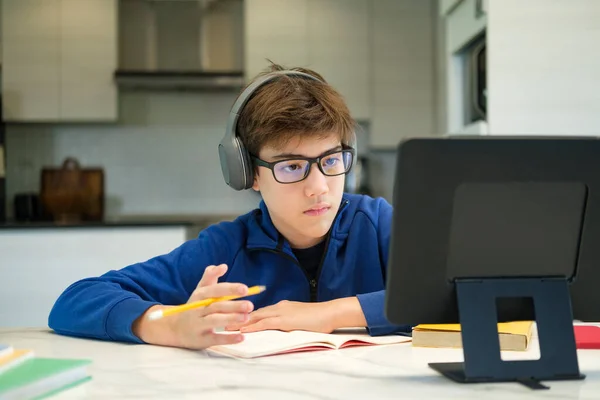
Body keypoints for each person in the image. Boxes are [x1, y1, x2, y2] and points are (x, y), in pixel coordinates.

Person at [48, 62, 410, 350]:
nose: (318, 188)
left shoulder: (377, 223)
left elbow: (457, 290)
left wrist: (329, 314)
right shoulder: (225, 249)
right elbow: (75, 300)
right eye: (291, 167)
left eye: (331, 161)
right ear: (248, 173)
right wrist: (168, 323)